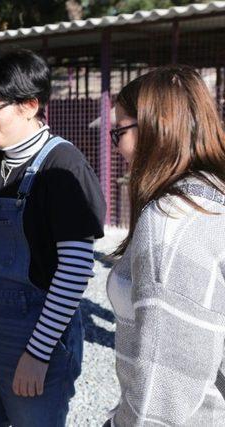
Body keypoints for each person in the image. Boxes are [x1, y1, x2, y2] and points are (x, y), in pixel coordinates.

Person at [0, 48, 106, 426]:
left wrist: (38, 353)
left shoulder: (62, 167)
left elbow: (75, 271)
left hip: (31, 334)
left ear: (29, 105)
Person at [106, 65, 225, 426]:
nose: (117, 146)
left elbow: (165, 385)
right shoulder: (213, 193)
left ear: (155, 129)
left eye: (119, 132)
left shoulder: (173, 223)